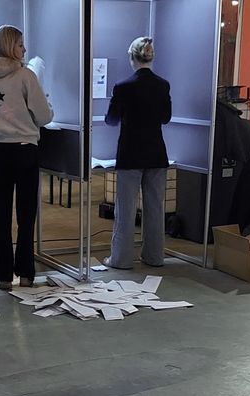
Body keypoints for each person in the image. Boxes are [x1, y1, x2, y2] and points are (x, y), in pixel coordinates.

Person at [0, 25, 53, 290]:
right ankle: (26, 274)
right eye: (21, 44)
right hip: (24, 150)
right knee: (26, 214)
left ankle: (2, 276)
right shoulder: (26, 75)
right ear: (11, 46)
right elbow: (44, 116)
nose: (25, 49)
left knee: (1, 215)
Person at [103, 37, 172, 269]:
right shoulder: (163, 85)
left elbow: (111, 120)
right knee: (155, 209)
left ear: (131, 57)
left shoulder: (123, 87)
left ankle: (121, 259)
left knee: (126, 209)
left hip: (130, 153)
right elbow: (166, 118)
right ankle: (154, 257)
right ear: (151, 57)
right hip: (156, 153)